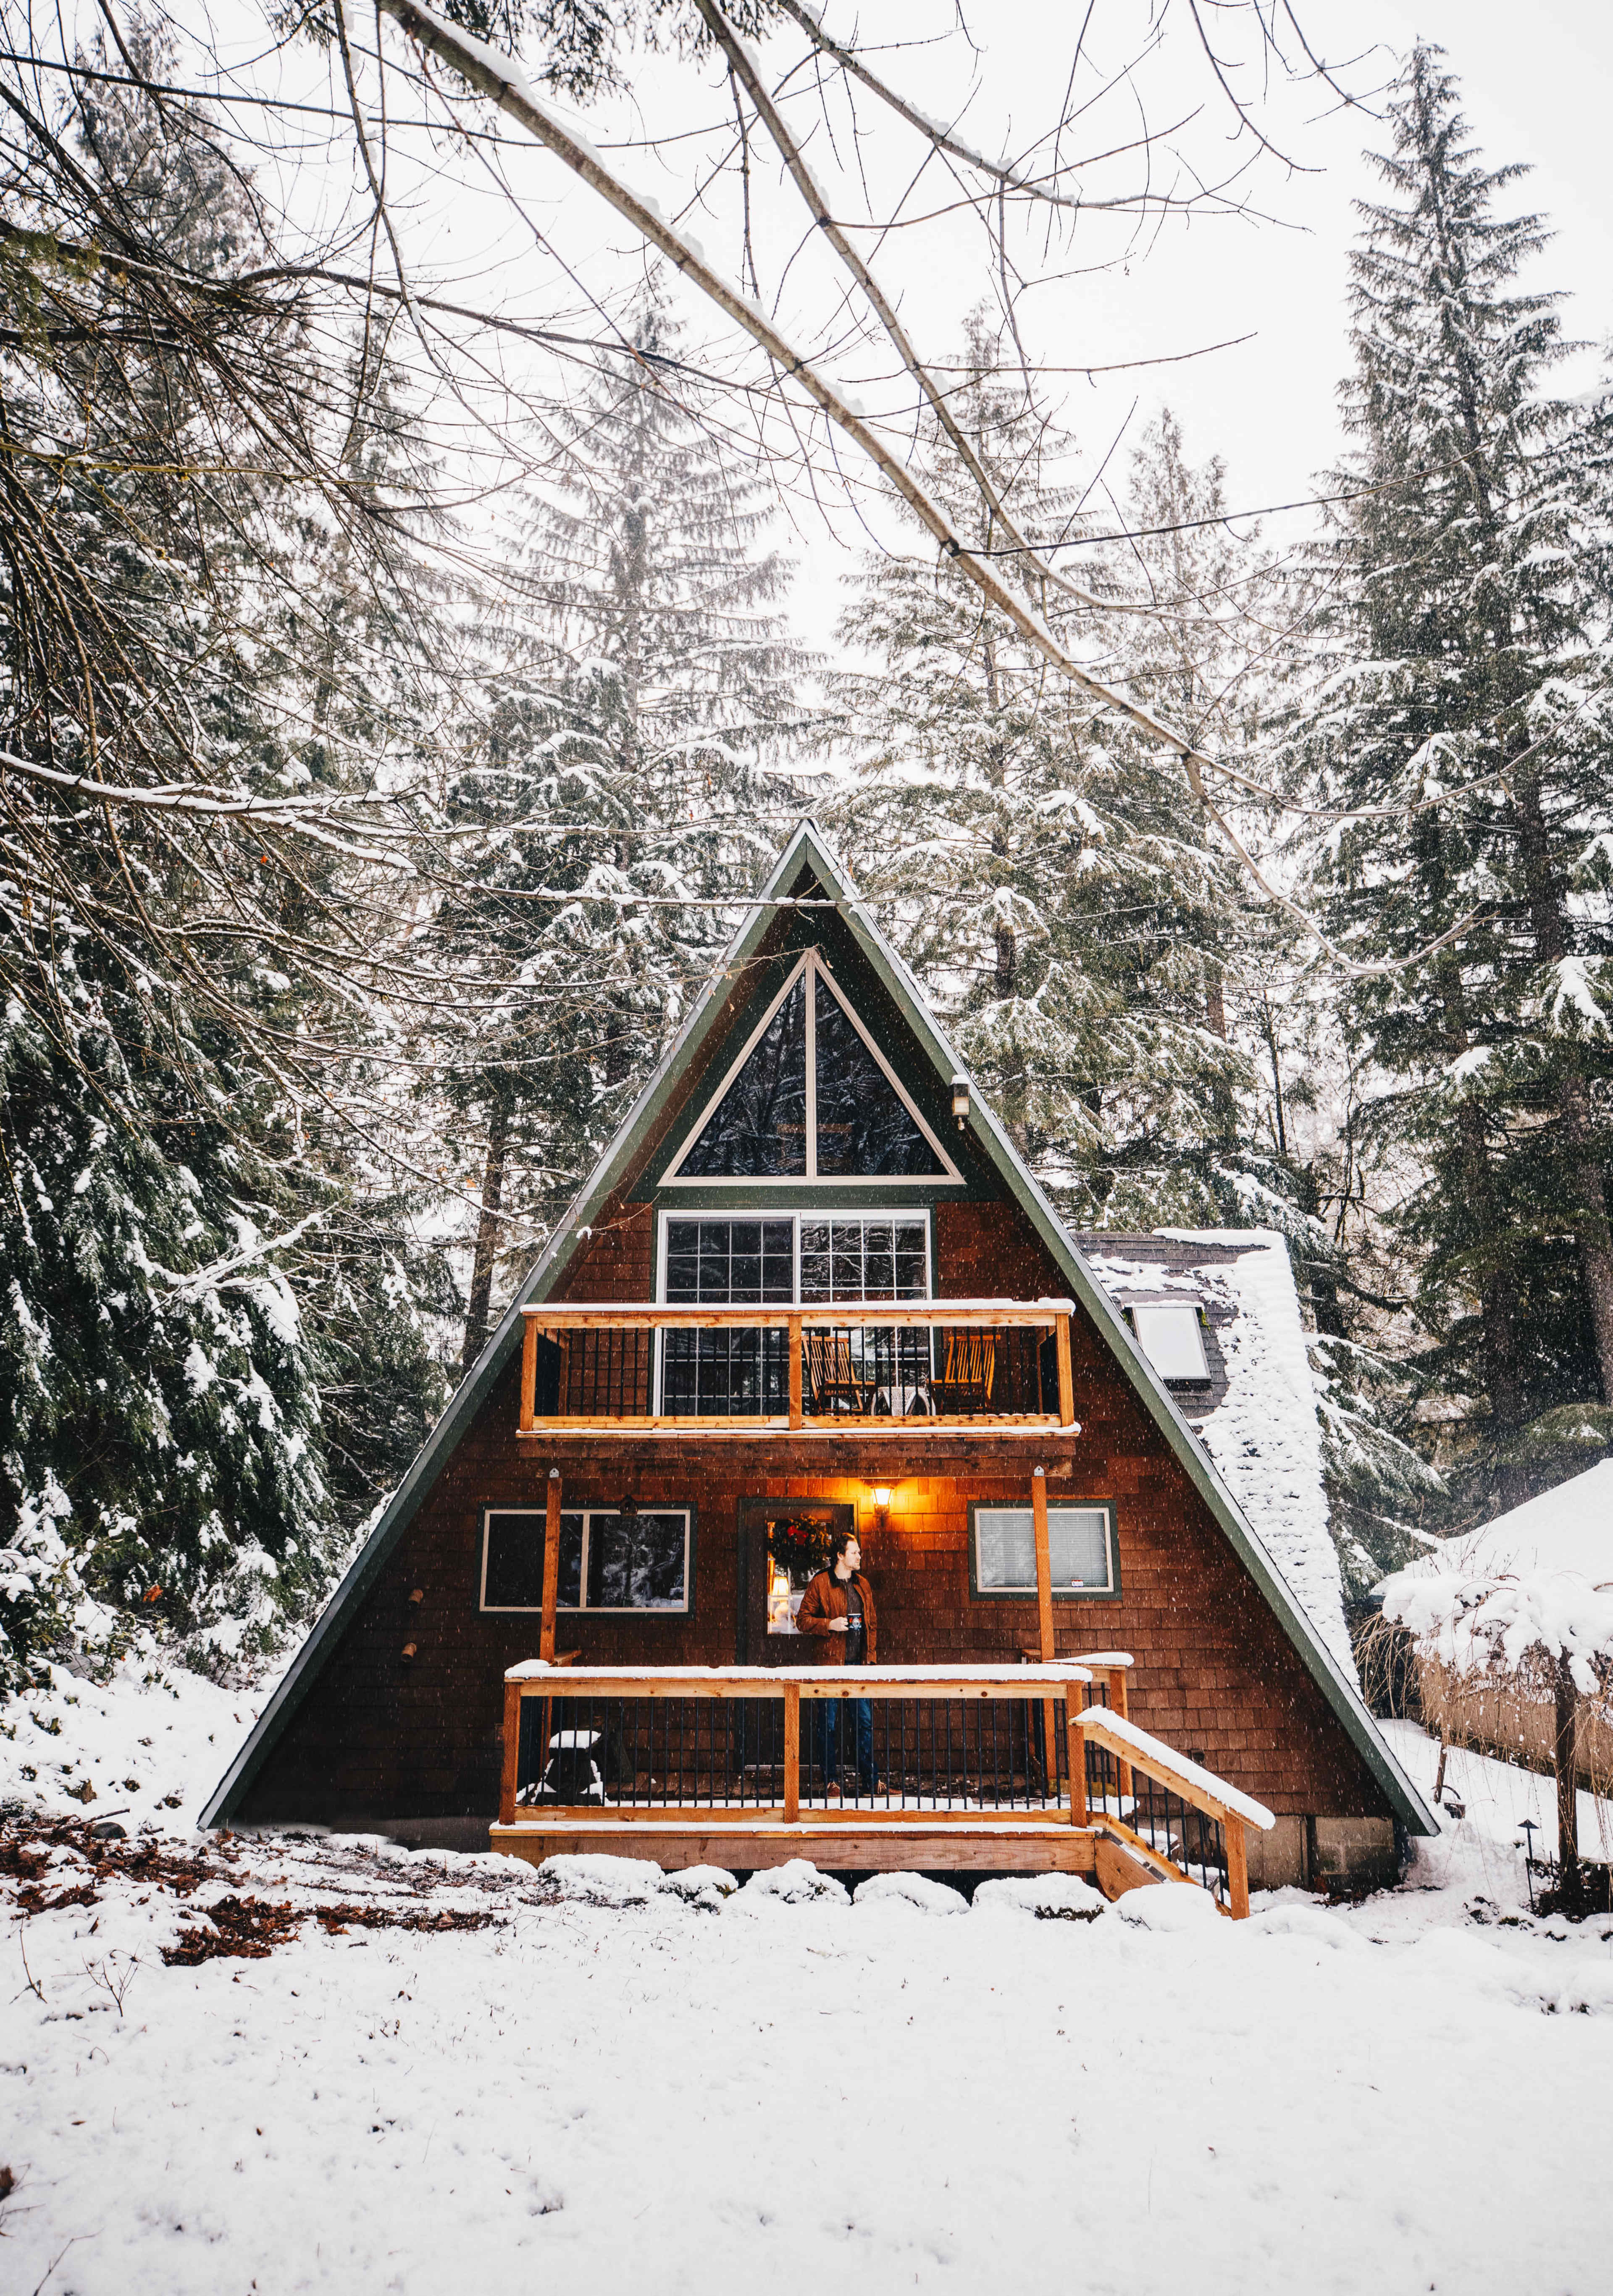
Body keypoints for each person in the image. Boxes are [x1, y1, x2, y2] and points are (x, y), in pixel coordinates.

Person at [795, 1527, 878, 1796]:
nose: (859, 1556)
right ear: (840, 1556)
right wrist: (829, 1624)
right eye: (855, 1552)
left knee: (864, 1723)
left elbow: (872, 1624)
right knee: (828, 1725)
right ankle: (832, 1781)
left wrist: (871, 1659)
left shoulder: (862, 1585)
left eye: (859, 1552)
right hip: (830, 1665)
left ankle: (871, 1781)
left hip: (859, 1666)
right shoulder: (820, 1583)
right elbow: (802, 1620)